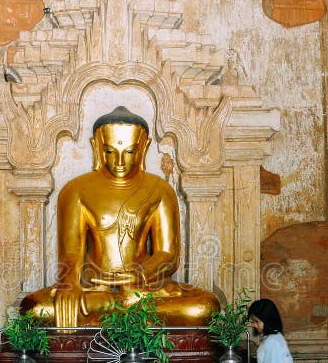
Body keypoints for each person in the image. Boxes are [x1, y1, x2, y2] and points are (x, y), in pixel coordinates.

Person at [20, 106, 220, 327]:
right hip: (95, 287)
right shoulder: (75, 190)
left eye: (129, 152)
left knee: (205, 306)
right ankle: (118, 308)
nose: (119, 162)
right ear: (96, 147)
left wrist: (141, 274)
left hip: (144, 290)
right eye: (110, 151)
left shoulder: (160, 189)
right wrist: (71, 285)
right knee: (34, 308)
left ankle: (108, 308)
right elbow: (71, 253)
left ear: (144, 148)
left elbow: (168, 254)